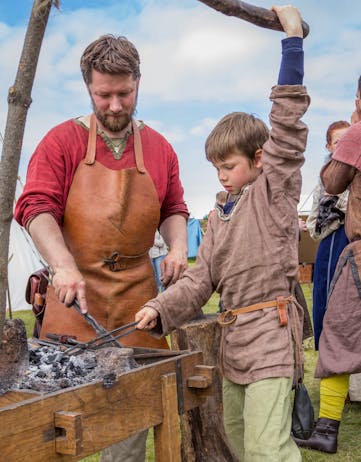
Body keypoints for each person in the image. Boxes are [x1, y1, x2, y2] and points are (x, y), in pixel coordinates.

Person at [136, 5, 309, 461]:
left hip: (271, 339)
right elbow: (199, 280)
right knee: (236, 437)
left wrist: (292, 40)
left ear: (258, 159)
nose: (220, 176)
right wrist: (160, 308)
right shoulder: (217, 216)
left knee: (267, 450)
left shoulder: (274, 192)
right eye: (215, 168)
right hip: (235, 346)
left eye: (228, 166)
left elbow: (287, 129)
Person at [14, 34, 189, 462]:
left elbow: (174, 207)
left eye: (124, 93)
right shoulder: (61, 141)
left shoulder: (161, 148)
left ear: (138, 83)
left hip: (137, 304)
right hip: (73, 299)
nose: (114, 105)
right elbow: (35, 208)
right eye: (103, 94)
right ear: (88, 88)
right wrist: (62, 266)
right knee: (54, 427)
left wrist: (178, 246)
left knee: (127, 423)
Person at [295, 79, 361, 454]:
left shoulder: (358, 132)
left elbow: (332, 182)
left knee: (337, 334)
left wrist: (353, 132)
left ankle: (327, 428)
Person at [306, 121, 350, 350]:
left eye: (347, 141)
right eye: (337, 142)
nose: (342, 145)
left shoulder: (357, 177)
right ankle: (327, 353)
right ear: (329, 146)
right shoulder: (322, 183)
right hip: (328, 246)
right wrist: (334, 220)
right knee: (325, 297)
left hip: (351, 242)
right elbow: (314, 226)